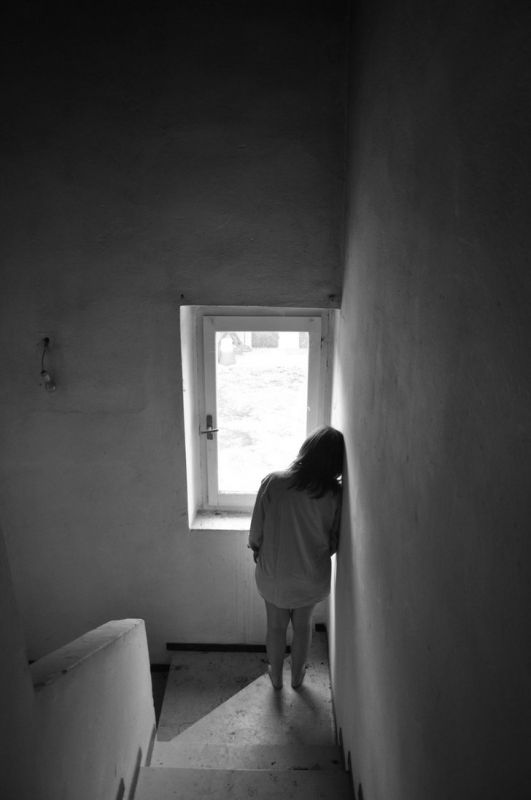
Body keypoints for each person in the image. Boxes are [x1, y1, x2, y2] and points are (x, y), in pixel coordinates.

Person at [248, 426, 344, 690]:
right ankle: (298, 677)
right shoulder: (335, 494)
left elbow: (256, 530)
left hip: (274, 573)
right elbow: (335, 538)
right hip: (311, 574)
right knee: (303, 627)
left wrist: (256, 548)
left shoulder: (274, 482)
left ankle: (276, 677)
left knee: (275, 627)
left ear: (307, 450)